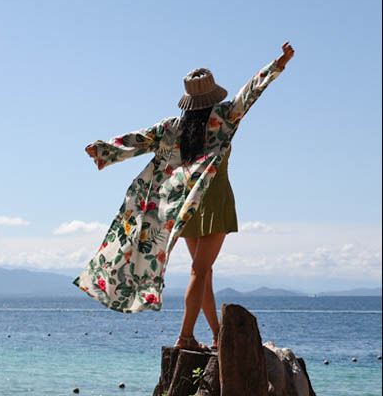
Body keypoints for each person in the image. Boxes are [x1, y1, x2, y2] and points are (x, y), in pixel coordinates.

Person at [74, 42, 294, 352]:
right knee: (200, 271)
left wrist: (103, 150)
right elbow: (250, 92)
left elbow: (138, 140)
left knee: (202, 271)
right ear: (212, 94)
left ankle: (216, 335)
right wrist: (279, 63)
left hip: (184, 205)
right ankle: (186, 337)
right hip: (215, 201)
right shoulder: (226, 115)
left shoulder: (172, 127)